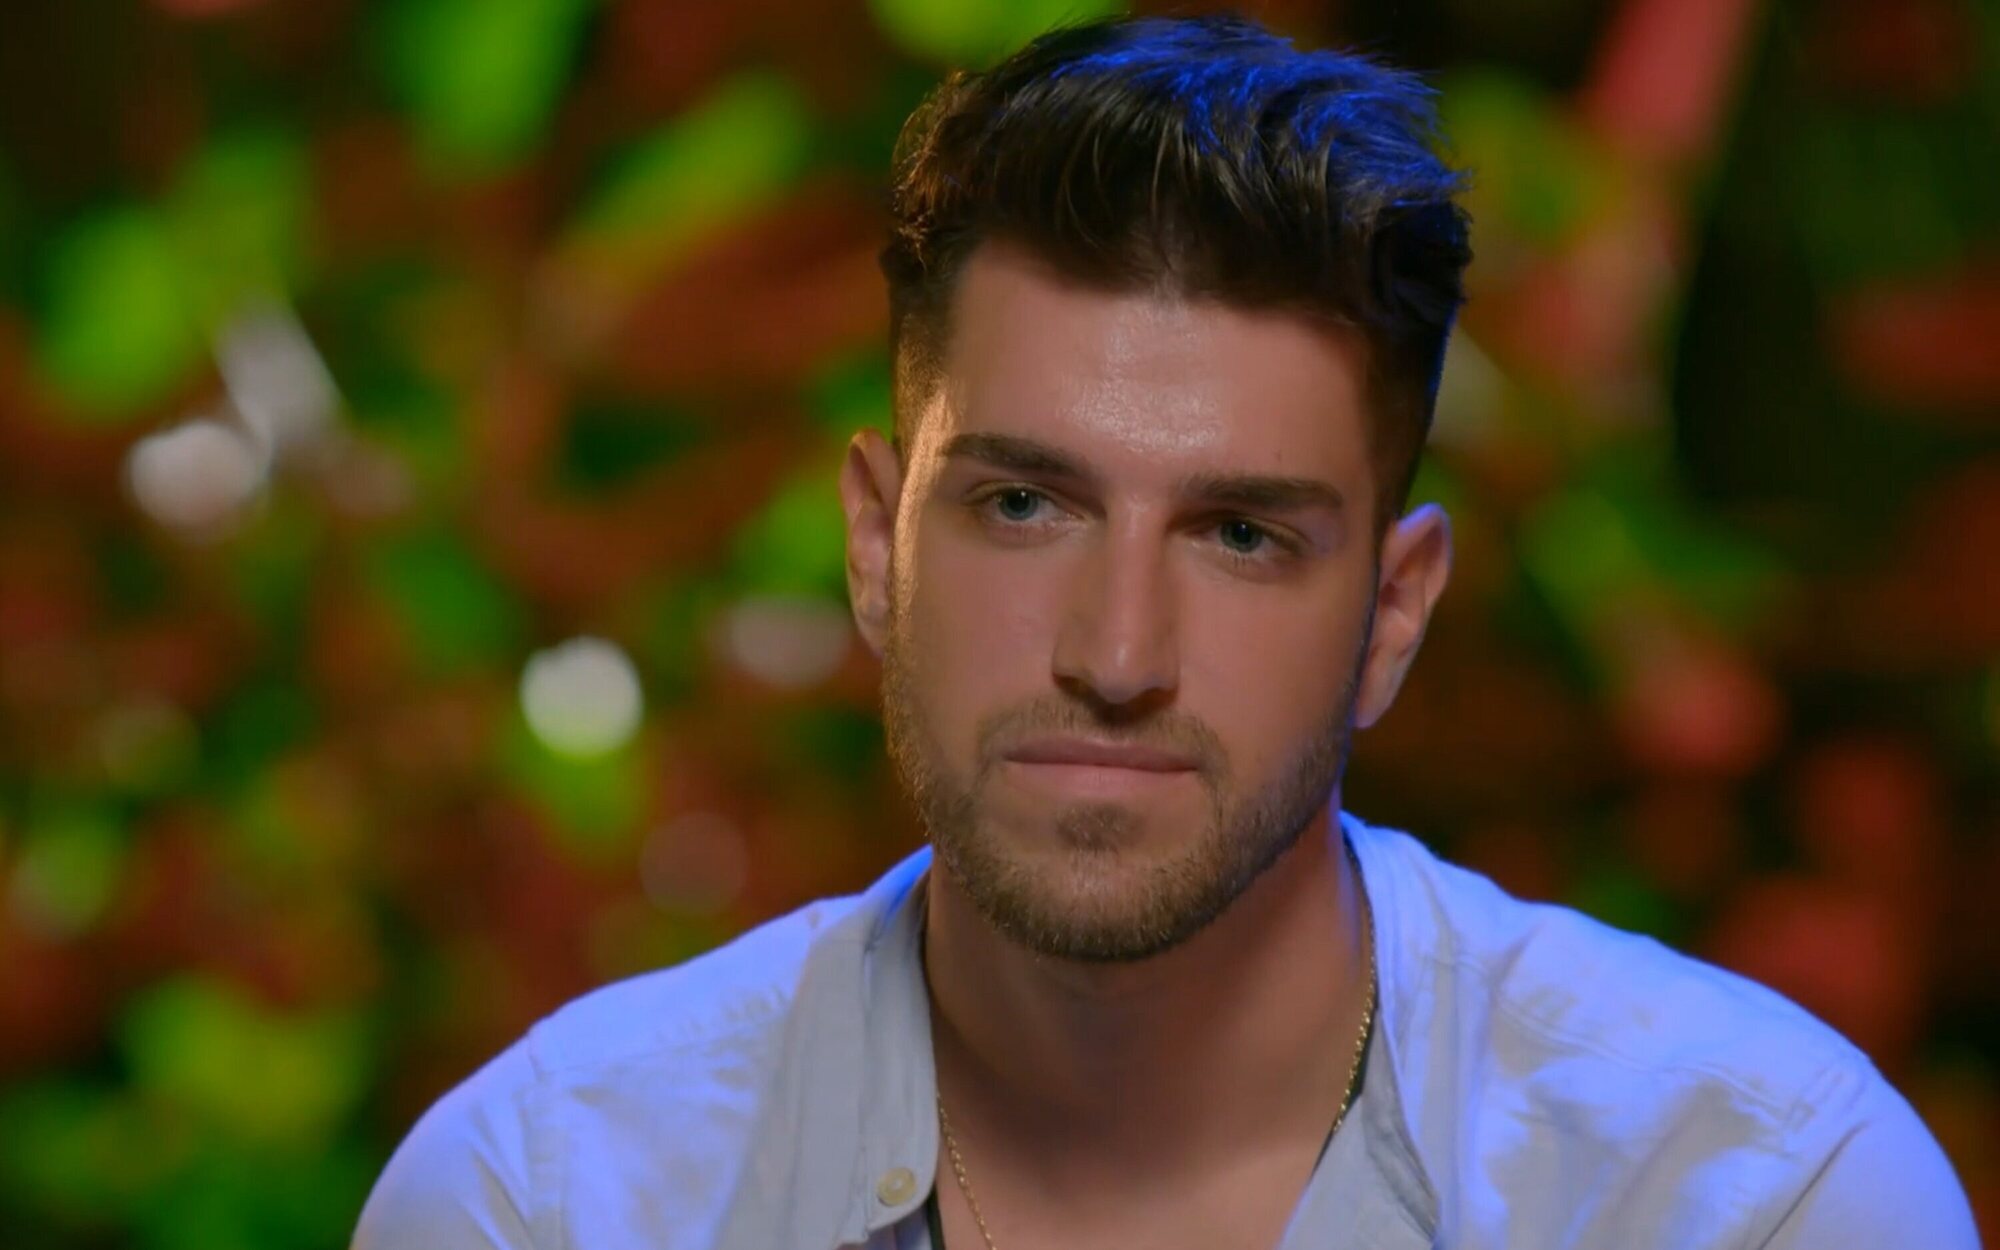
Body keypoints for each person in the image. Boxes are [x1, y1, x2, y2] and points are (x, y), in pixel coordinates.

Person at [353, 14, 1978, 1249]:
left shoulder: (1750, 1198)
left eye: (1242, 535)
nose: (1116, 653)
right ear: (874, 548)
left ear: (1393, 614)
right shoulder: (545, 1201)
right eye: (1023, 506)